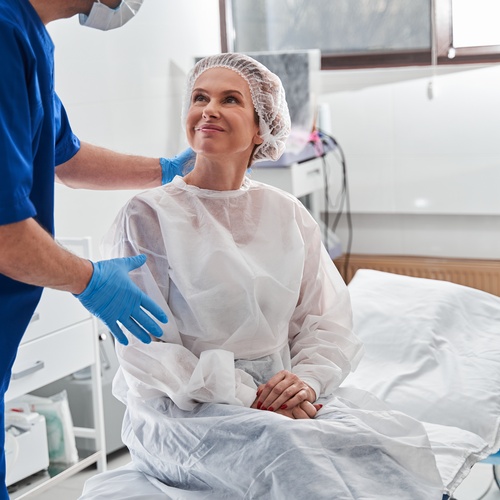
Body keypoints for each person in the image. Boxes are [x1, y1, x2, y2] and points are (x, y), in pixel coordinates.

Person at [80, 53, 445, 499]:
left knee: (383, 445)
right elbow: (149, 356)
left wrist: (306, 381)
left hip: (283, 397)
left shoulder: (285, 212)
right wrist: (246, 395)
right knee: (292, 452)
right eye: (199, 97)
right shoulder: (147, 217)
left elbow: (325, 320)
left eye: (229, 99)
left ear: (261, 128)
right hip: (183, 412)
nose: (209, 109)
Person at [0, 1, 192, 496]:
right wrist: (88, 279)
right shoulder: (3, 32)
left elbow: (66, 156)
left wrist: (167, 170)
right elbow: (5, 236)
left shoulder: (29, 36)